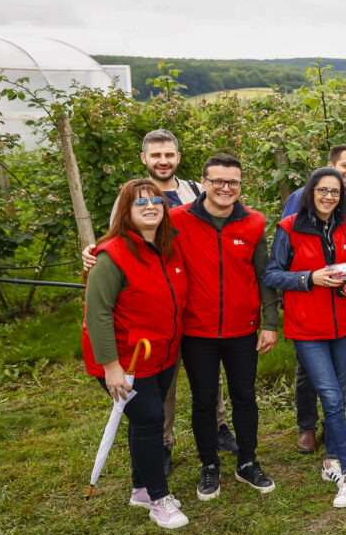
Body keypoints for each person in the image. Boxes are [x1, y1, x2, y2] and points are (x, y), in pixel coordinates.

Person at [88, 128, 235, 474]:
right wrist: (93, 253)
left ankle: (218, 428)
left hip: (195, 300)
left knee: (209, 376)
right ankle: (162, 442)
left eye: (169, 154)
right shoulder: (135, 195)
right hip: (155, 306)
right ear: (144, 159)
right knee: (160, 383)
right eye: (156, 155)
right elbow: (118, 241)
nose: (163, 161)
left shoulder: (196, 191)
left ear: (178, 158)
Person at [82, 178, 189, 529]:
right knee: (149, 419)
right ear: (125, 211)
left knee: (144, 420)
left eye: (156, 200)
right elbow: (96, 313)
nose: (149, 207)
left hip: (162, 354)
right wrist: (111, 367)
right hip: (126, 359)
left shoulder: (169, 246)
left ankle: (141, 488)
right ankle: (159, 498)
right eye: (140, 203)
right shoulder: (111, 254)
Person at [173, 154, 279, 501]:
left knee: (245, 397)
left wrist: (269, 322)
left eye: (233, 182)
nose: (225, 188)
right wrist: (93, 250)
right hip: (196, 330)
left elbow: (264, 276)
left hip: (242, 329)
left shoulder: (253, 222)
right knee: (204, 400)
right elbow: (131, 237)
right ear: (203, 182)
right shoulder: (177, 219)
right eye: (218, 181)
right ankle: (209, 465)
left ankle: (247, 461)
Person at [264, 168, 346, 508]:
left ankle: (331, 461)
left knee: (337, 390)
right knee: (330, 395)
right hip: (307, 326)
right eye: (322, 190)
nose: (328, 197)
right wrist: (310, 278)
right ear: (310, 192)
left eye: (335, 192)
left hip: (344, 324)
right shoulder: (289, 227)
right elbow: (272, 274)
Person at [281, 145, 346, 455]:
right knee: (310, 372)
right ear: (330, 165)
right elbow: (289, 250)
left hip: (341, 308)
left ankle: (334, 429)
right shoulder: (298, 203)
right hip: (308, 306)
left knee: (337, 375)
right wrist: (307, 279)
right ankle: (307, 426)